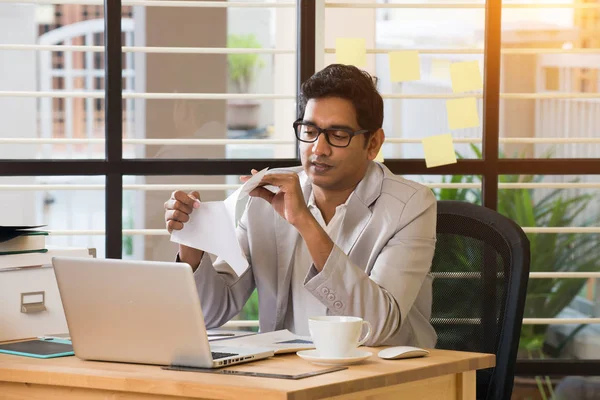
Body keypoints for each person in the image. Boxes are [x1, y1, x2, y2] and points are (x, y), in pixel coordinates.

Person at [164, 64, 437, 347]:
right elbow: (210, 313)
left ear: (373, 144)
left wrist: (305, 222)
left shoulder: (411, 205)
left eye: (339, 135)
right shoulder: (265, 199)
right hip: (287, 375)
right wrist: (192, 247)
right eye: (309, 130)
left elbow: (378, 327)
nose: (318, 148)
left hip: (381, 379)